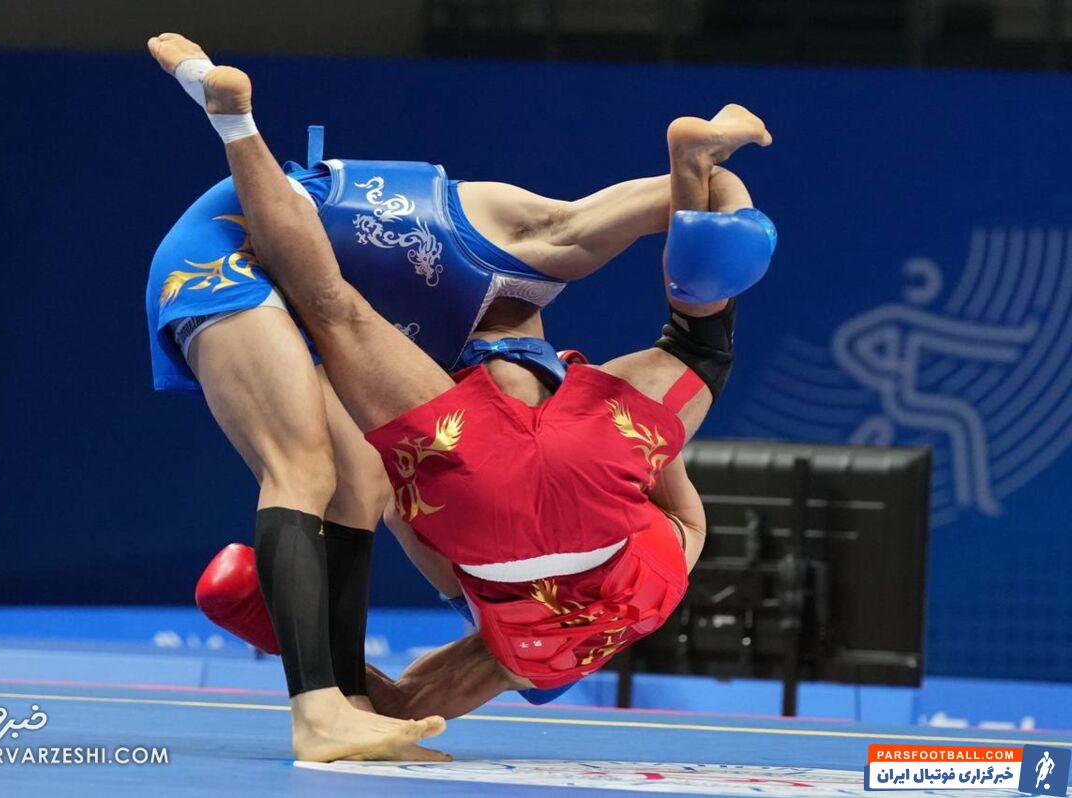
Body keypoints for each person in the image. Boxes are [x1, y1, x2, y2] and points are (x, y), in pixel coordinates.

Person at [149, 32, 775, 725]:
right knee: (324, 357)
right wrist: (287, 628)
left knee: (695, 337)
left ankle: (700, 166)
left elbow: (668, 477)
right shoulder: (522, 650)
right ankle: (237, 127)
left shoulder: (664, 576)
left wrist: (610, 424)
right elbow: (407, 691)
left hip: (488, 276)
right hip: (465, 457)